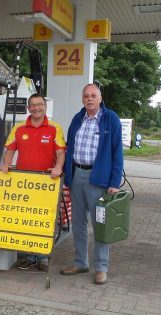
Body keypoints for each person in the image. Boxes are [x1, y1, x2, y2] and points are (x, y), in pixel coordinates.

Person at [60, 83, 124, 285]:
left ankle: (101, 267)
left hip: (98, 179)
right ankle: (81, 262)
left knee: (100, 225)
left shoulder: (110, 119)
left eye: (93, 95)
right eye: (86, 95)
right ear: (82, 99)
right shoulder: (77, 118)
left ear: (100, 97)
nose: (89, 99)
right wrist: (67, 175)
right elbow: (69, 148)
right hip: (77, 174)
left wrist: (114, 182)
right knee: (78, 223)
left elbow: (117, 153)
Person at [0, 93, 66, 272]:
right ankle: (28, 256)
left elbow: (61, 153)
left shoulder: (55, 128)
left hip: (47, 183)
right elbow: (9, 150)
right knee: (26, 218)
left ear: (45, 106)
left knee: (45, 219)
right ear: (28, 108)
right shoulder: (19, 128)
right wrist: (6, 164)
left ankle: (43, 257)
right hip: (24, 183)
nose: (36, 108)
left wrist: (58, 167)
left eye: (40, 105)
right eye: (33, 105)